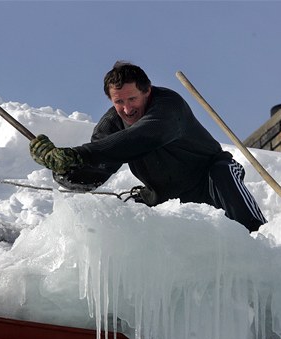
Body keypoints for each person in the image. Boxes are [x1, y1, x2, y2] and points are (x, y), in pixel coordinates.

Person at [29, 61, 267, 232]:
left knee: (223, 172)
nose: (127, 109)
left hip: (212, 185)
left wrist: (77, 154)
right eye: (119, 102)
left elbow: (143, 136)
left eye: (132, 99)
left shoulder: (169, 106)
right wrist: (61, 165)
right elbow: (93, 173)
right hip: (168, 200)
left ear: (147, 91)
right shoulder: (111, 125)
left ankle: (260, 240)